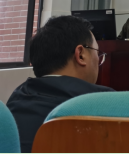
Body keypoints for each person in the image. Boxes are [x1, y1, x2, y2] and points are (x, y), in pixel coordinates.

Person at [7, 15, 114, 153]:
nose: (98, 60)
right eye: (97, 52)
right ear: (81, 54)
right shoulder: (105, 102)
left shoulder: (16, 98)